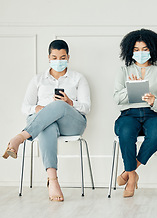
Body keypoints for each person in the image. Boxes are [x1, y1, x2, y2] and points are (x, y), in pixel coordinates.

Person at [2, 40, 91, 202]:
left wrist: (70, 103)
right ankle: (53, 180)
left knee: (58, 105)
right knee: (47, 125)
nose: (58, 61)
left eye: (62, 57)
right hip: (42, 123)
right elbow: (25, 107)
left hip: (72, 123)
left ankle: (20, 137)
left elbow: (86, 108)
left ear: (68, 57)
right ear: (49, 57)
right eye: (55, 57)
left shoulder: (78, 78)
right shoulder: (38, 79)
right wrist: (38, 109)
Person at [113, 29, 157, 198]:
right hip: (129, 114)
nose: (141, 53)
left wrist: (155, 101)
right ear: (130, 51)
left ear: (153, 49)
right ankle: (132, 177)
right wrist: (131, 88)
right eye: (136, 49)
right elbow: (117, 99)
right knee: (125, 132)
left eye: (145, 49)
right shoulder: (123, 71)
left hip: (153, 114)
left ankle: (129, 170)